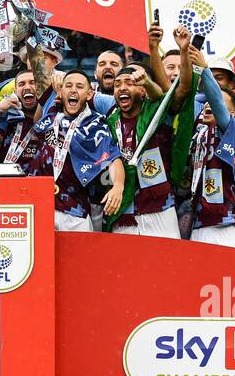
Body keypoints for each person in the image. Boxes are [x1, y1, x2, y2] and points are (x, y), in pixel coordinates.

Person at [105, 22, 196, 237]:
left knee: (167, 269)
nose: (122, 88)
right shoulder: (108, 120)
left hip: (159, 210)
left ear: (143, 90)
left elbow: (169, 93)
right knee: (123, 271)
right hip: (122, 210)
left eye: (130, 83)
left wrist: (158, 53)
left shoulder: (157, 113)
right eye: (118, 85)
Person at [25, 69, 125, 231]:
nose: (73, 90)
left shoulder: (96, 125)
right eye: (68, 86)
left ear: (89, 94)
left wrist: (118, 186)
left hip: (74, 210)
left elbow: (113, 158)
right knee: (38, 256)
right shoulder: (51, 115)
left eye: (79, 87)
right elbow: (37, 123)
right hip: (38, 205)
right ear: (61, 91)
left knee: (81, 256)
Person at [188, 66, 235, 249]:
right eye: (206, 102)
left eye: (214, 102)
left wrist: (204, 69)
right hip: (199, 224)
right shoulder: (200, 135)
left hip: (226, 225)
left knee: (230, 278)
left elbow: (220, 108)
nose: (207, 105)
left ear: (232, 113)